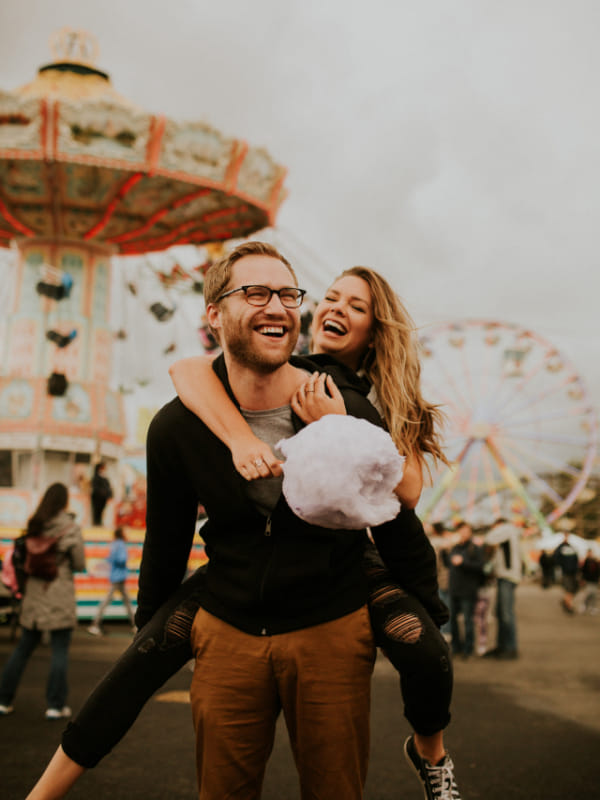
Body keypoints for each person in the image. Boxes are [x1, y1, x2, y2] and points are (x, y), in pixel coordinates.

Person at [26, 247, 458, 800]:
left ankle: (432, 754)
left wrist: (427, 602)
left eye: (287, 294)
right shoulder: (187, 419)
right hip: (233, 599)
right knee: (133, 684)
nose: (278, 306)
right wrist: (149, 629)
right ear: (213, 313)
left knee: (420, 660)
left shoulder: (345, 400)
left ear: (375, 332)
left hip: (335, 594)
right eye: (256, 293)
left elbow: (402, 501)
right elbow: (167, 527)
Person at [0, 483, 85, 719]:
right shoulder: (70, 527)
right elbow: (79, 563)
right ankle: (55, 706)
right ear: (64, 502)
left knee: (23, 648)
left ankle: (3, 700)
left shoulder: (34, 524)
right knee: (59, 650)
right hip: (59, 594)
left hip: (34, 594)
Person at [483, 518, 523, 659]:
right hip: (504, 577)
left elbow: (489, 539)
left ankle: (510, 648)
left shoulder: (507, 529)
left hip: (507, 577)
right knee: (500, 613)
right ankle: (502, 646)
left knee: (506, 614)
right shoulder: (507, 536)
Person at [446, 521, 484, 659]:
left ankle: (468, 648)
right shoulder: (454, 548)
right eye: (461, 531)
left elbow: (480, 567)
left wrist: (463, 562)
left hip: (468, 590)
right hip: (454, 589)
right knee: (452, 620)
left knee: (468, 620)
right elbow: (448, 564)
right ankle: (456, 647)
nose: (463, 534)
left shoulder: (475, 548)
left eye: (466, 531)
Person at [87, 527, 135, 635]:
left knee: (125, 601)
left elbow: (110, 559)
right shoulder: (121, 545)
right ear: (121, 534)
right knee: (112, 601)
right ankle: (95, 625)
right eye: (126, 532)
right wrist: (128, 558)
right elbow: (121, 559)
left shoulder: (114, 544)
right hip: (119, 577)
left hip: (115, 576)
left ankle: (135, 625)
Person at [553, 533, 580, 613]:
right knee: (569, 589)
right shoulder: (560, 548)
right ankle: (569, 605)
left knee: (573, 589)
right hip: (566, 572)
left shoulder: (572, 547)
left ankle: (566, 601)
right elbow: (556, 560)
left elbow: (576, 559)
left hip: (572, 572)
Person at [577, 548, 599, 614]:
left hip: (594, 580)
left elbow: (598, 571)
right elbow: (582, 571)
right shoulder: (585, 561)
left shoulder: (595, 561)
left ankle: (592, 607)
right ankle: (584, 605)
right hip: (587, 580)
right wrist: (582, 579)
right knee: (588, 593)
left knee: (594, 594)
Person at [90, 462, 112, 526]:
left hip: (104, 498)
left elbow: (108, 487)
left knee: (102, 510)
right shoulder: (95, 477)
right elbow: (95, 487)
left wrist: (109, 494)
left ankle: (99, 522)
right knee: (96, 510)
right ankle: (96, 523)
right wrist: (101, 492)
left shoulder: (105, 477)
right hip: (97, 498)